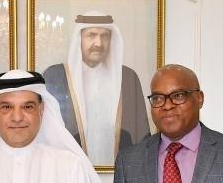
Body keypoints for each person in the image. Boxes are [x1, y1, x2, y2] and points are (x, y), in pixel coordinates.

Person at [42, 12, 150, 165]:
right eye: (91, 35)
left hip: (120, 175)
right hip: (67, 172)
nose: (98, 43)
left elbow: (140, 132)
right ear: (79, 39)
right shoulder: (55, 76)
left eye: (105, 36)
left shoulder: (127, 77)